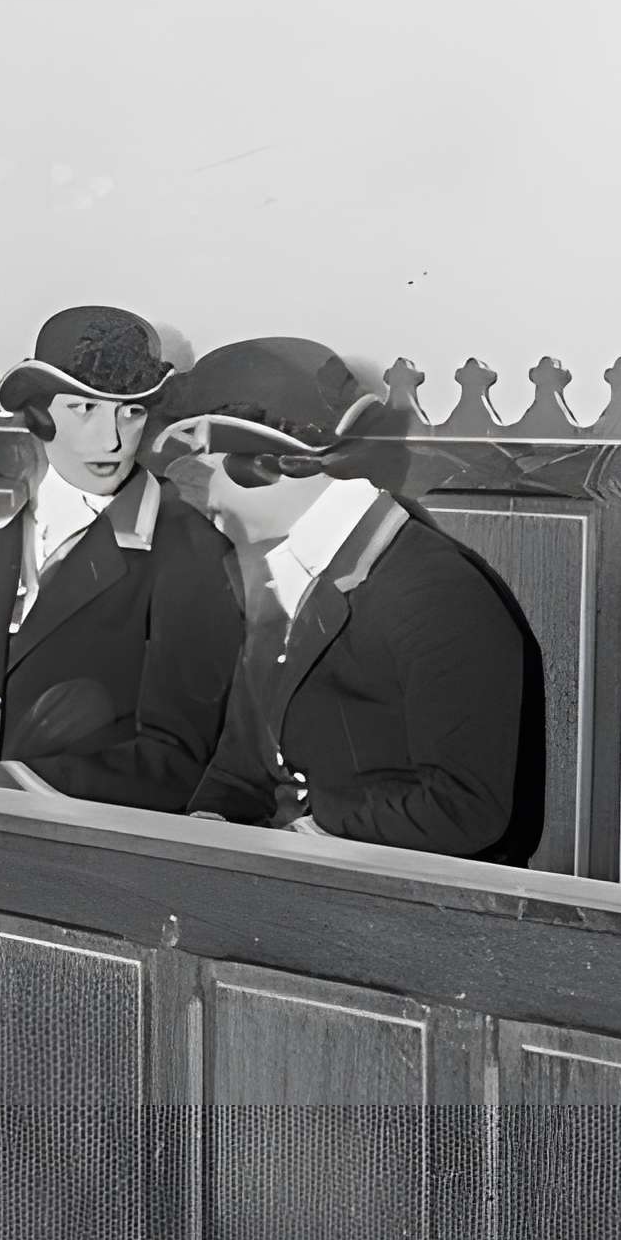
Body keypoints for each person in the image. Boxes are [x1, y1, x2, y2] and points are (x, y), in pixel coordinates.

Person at [166, 336, 538, 861]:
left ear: (272, 465)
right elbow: (242, 764)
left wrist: (304, 834)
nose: (200, 493)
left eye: (208, 466)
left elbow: (466, 808)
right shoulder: (273, 573)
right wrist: (209, 825)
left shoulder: (436, 592)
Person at [0, 304, 240, 806]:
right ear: (41, 417)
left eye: (129, 412)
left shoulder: (188, 550)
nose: (111, 439)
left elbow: (173, 760)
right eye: (84, 409)